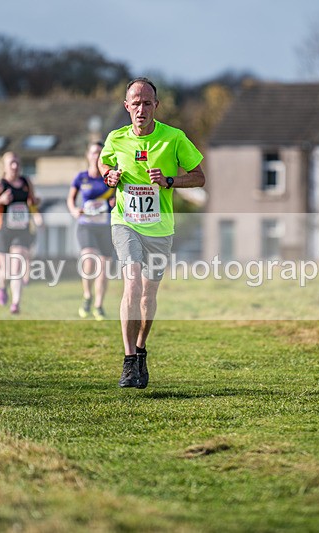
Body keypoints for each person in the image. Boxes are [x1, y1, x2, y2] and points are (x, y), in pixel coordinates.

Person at [99, 77, 206, 389]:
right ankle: (129, 360)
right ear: (127, 106)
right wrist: (108, 175)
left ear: (156, 106)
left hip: (160, 229)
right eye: (136, 103)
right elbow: (102, 162)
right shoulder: (116, 138)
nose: (141, 108)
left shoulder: (173, 138)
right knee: (131, 284)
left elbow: (199, 177)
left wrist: (170, 181)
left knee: (148, 294)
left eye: (147, 103)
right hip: (125, 222)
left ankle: (142, 347)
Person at [0, 151, 39, 314]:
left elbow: (32, 201)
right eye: (11, 163)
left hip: (21, 231)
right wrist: (0, 200)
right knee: (6, 271)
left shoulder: (27, 182)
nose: (15, 166)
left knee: (17, 268)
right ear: (5, 167)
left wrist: (35, 203)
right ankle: (2, 286)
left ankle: (15, 303)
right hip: (3, 231)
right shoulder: (0, 184)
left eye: (17, 163)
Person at [66, 141, 115, 320]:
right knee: (89, 261)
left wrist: (115, 202)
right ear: (88, 155)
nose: (96, 156)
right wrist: (73, 210)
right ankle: (87, 295)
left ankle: (99, 305)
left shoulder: (109, 177)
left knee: (104, 267)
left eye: (100, 153)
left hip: (105, 227)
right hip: (86, 226)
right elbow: (71, 199)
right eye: (94, 152)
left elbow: (118, 196)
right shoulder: (81, 177)